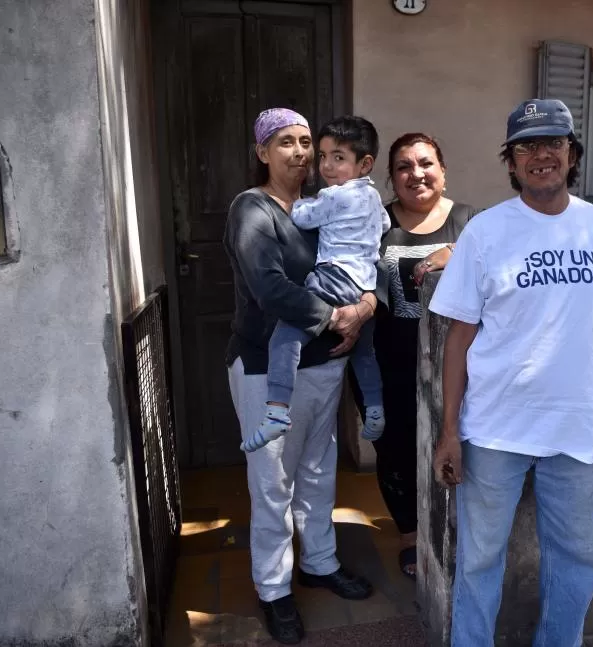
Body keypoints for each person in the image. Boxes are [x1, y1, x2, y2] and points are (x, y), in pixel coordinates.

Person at [428, 99, 593, 646]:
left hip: (572, 432)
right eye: (526, 146)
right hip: (493, 431)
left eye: (553, 143)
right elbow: (459, 339)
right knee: (478, 563)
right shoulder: (485, 232)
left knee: (576, 563)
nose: (540, 155)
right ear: (511, 162)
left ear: (572, 154)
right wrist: (449, 431)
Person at [224, 107, 378, 645]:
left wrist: (367, 304)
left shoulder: (328, 206)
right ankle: (273, 589)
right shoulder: (253, 210)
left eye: (307, 141)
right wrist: (337, 317)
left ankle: (319, 562)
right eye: (286, 141)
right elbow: (270, 289)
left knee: (317, 473)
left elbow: (358, 263)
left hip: (323, 365)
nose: (301, 152)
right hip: (268, 370)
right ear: (263, 152)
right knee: (272, 485)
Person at [356, 133, 480, 580]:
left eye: (426, 163)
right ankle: (409, 536)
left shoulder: (469, 222)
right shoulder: (377, 224)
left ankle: (454, 526)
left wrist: (455, 252)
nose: (417, 174)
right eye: (404, 167)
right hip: (389, 361)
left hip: (460, 363)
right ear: (392, 178)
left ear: (443, 170)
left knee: (455, 441)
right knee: (395, 449)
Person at [247, 116, 391, 453]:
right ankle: (374, 408)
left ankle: (277, 410)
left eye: (337, 158)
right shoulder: (372, 198)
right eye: (324, 156)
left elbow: (301, 217)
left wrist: (300, 204)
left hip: (334, 278)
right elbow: (383, 224)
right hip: (362, 281)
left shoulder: (334, 197)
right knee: (364, 351)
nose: (325, 165)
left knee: (285, 337)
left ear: (364, 163)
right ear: (262, 153)